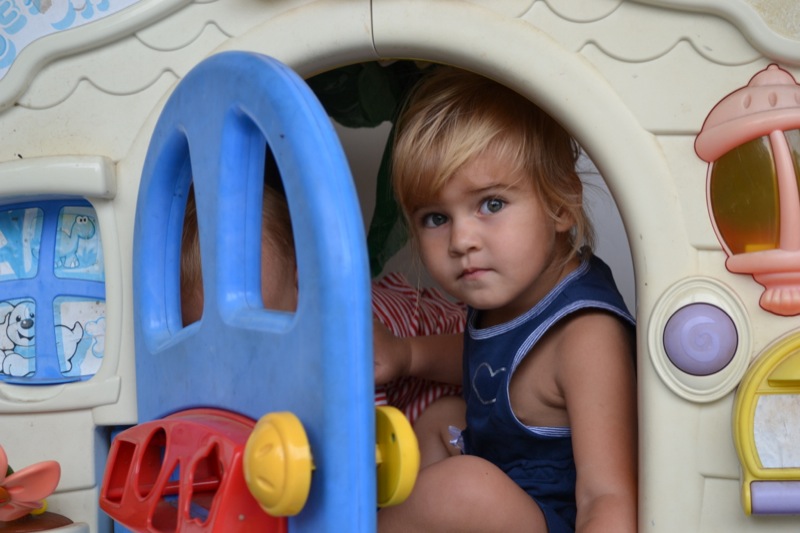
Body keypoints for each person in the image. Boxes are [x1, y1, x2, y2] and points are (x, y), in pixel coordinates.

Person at [375, 66, 637, 532]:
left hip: (560, 518)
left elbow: (608, 495)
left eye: (491, 204)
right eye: (436, 218)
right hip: (510, 482)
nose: (461, 240)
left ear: (560, 203)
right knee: (441, 418)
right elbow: (488, 364)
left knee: (463, 487)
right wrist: (409, 354)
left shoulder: (587, 337)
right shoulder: (511, 288)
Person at [179, 180, 465, 430]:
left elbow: (357, 454)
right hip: (405, 404)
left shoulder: (343, 346)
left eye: (256, 339)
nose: (240, 362)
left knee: (446, 418)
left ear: (304, 288)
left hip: (454, 371)